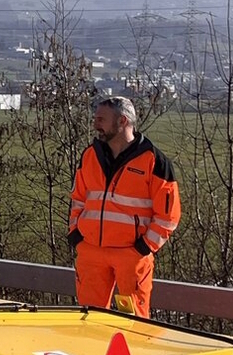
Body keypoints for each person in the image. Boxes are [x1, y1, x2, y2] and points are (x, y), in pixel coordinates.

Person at [67, 95, 180, 317]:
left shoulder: (154, 161)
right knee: (88, 318)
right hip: (91, 251)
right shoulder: (90, 155)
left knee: (135, 322)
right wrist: (76, 235)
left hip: (131, 255)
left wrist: (144, 247)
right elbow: (78, 198)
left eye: (101, 119)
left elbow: (169, 215)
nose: (95, 124)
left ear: (123, 121)